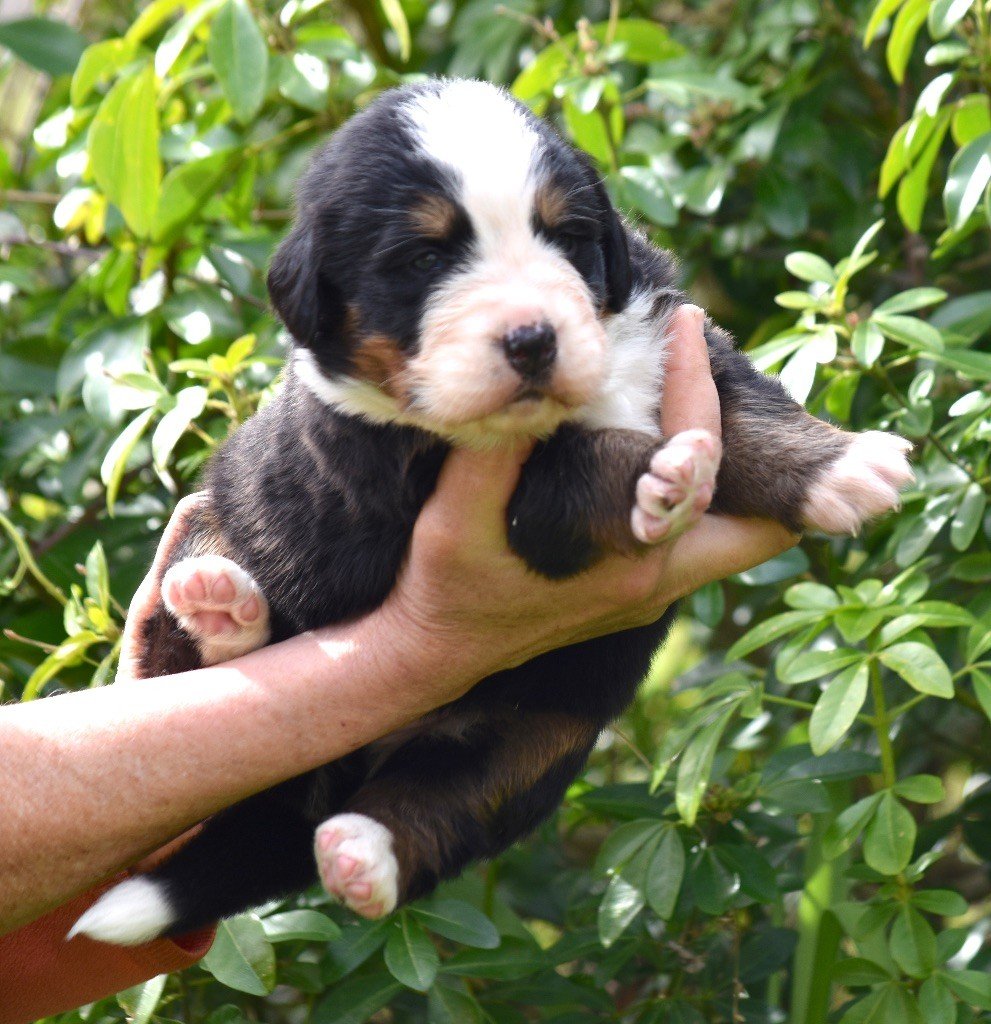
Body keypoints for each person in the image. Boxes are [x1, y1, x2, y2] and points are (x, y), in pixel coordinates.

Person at [0, 307, 795, 1019]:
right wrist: (412, 653)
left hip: (139, 818)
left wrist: (797, 461)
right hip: (295, 673)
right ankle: (256, 665)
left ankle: (245, 675)